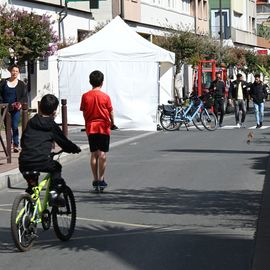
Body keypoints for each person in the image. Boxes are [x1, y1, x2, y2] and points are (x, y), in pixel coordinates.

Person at [19, 94, 81, 206]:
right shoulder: (51, 125)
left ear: (40, 107)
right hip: (42, 161)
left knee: (32, 186)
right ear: (54, 111)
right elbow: (64, 142)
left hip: (24, 162)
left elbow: (23, 141)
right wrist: (74, 149)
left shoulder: (31, 122)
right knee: (56, 167)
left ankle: (28, 210)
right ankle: (54, 194)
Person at [80, 70, 116, 191]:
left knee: (94, 153)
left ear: (90, 82)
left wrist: (87, 123)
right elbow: (110, 111)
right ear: (102, 82)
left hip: (91, 126)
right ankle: (101, 179)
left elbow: (84, 112)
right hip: (103, 126)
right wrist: (113, 123)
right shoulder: (105, 97)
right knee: (102, 154)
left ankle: (95, 179)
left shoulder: (85, 96)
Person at [0, 64, 28, 152]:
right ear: (10, 71)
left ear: (18, 72)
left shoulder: (21, 84)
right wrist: (2, 103)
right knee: (7, 127)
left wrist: (20, 103)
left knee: (15, 126)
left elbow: (24, 97)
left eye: (16, 71)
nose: (14, 73)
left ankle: (16, 145)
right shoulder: (4, 82)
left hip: (15, 109)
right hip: (5, 108)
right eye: (13, 71)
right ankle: (9, 144)